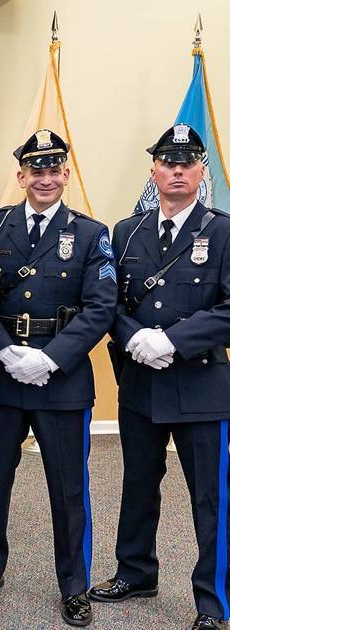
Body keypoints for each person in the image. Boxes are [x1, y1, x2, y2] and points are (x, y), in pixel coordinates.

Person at [0, 130, 115, 627]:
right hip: (5, 373)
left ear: (66, 175)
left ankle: (74, 584)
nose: (45, 178)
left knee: (68, 487)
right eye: (37, 169)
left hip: (62, 377)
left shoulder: (92, 234)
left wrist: (49, 359)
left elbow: (100, 308)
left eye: (55, 170)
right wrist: (5, 352)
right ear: (21, 175)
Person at [89, 123, 230, 630]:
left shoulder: (225, 230)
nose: (176, 169)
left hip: (201, 385)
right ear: (153, 170)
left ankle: (214, 603)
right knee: (138, 484)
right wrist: (132, 338)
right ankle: (135, 571)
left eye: (187, 162)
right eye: (167, 162)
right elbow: (109, 301)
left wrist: (173, 340)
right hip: (142, 383)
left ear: (200, 171)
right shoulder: (126, 232)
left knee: (210, 497)